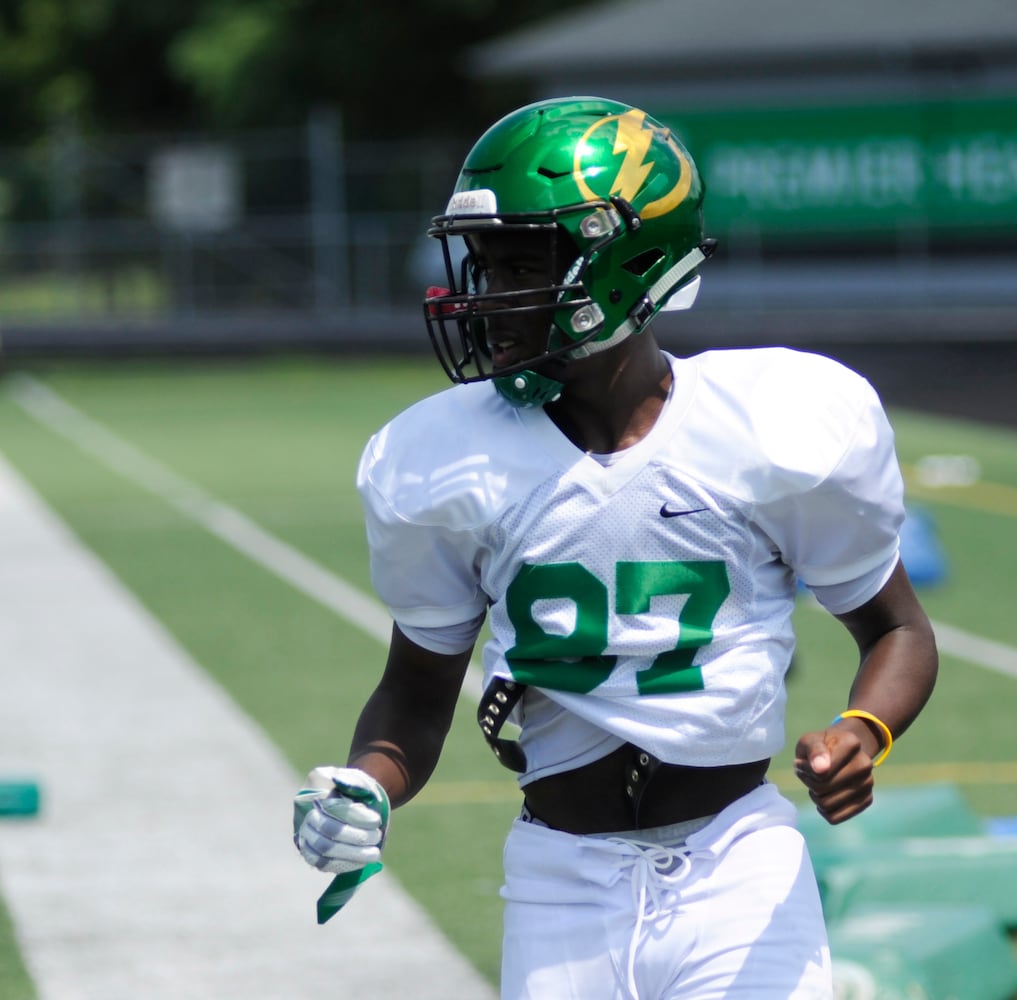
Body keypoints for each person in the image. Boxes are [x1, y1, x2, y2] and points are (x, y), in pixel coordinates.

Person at [293, 96, 938, 999]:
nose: (487, 295)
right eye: (482, 263)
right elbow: (415, 691)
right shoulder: (443, 460)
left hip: (737, 865)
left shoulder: (768, 427)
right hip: (560, 883)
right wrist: (365, 786)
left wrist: (861, 730)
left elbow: (897, 631)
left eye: (522, 263)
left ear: (628, 263)